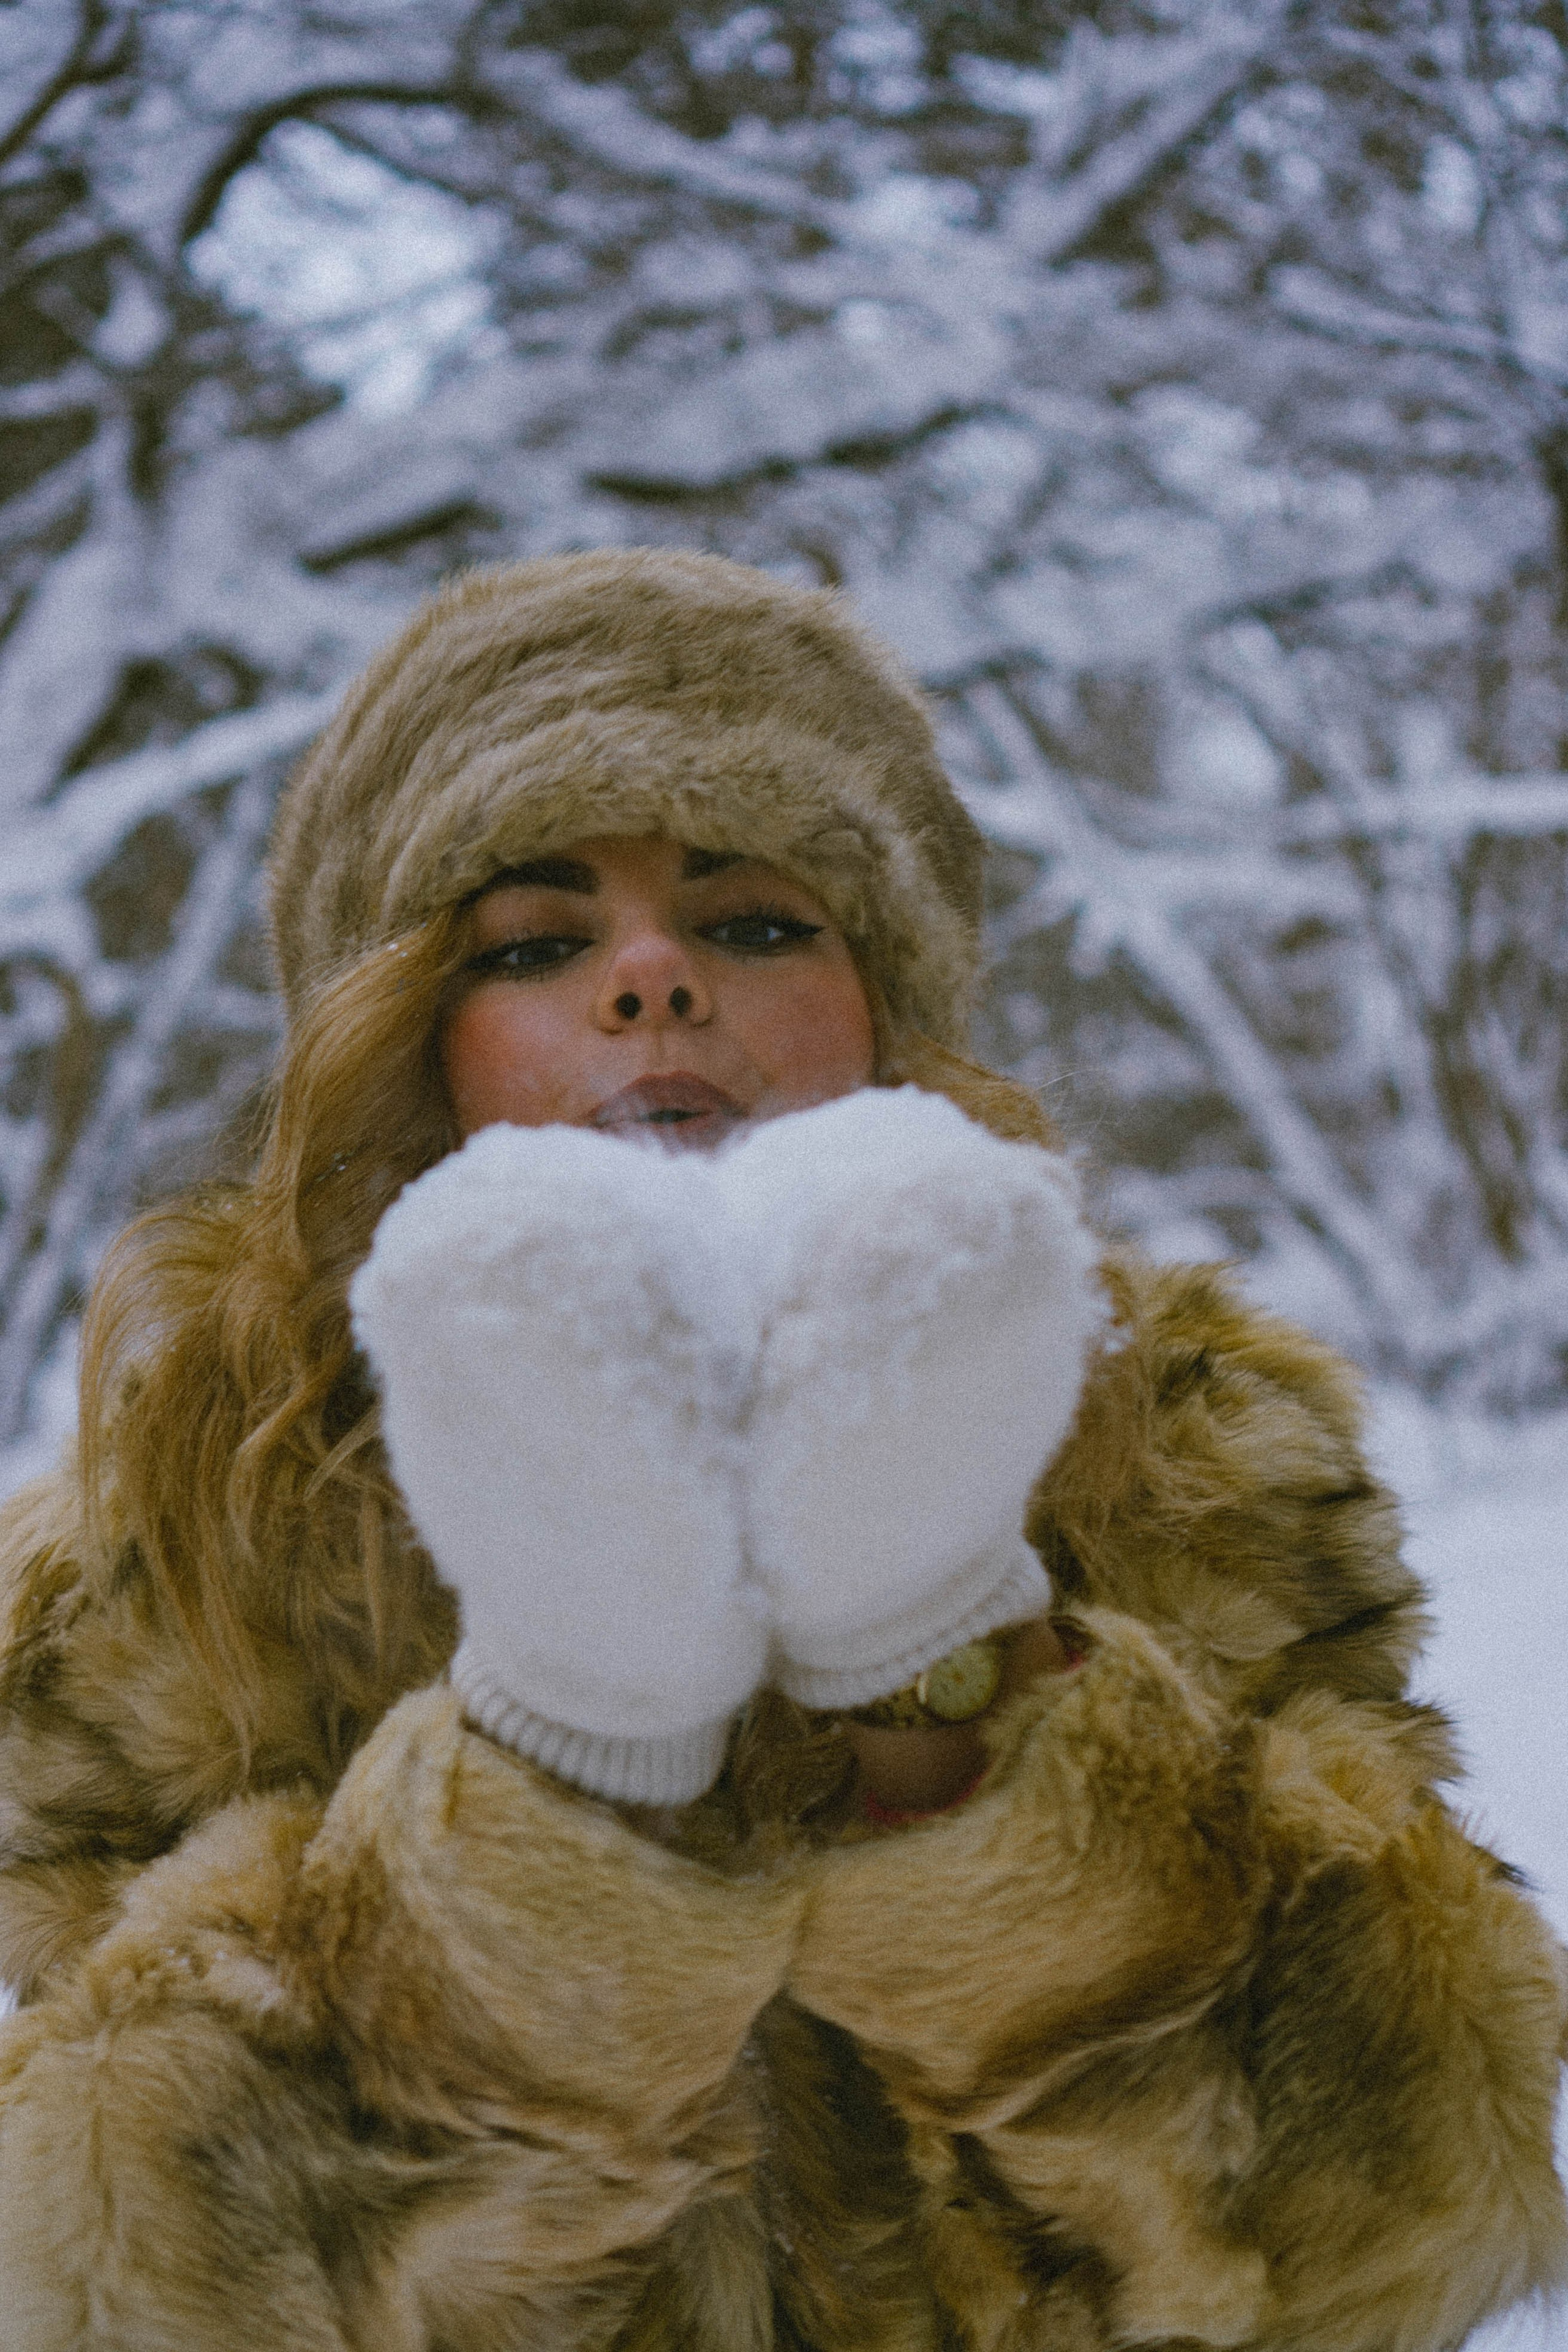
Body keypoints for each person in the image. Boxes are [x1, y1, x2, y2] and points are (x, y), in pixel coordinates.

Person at [0, 548, 1560, 2351]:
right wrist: (567, 1748)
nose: (653, 979)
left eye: (751, 921)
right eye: (534, 942)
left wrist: (950, 1668)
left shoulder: (1187, 1460)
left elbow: (1394, 2230)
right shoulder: (175, 1552)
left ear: (890, 1008)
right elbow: (116, 2286)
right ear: (406, 1045)